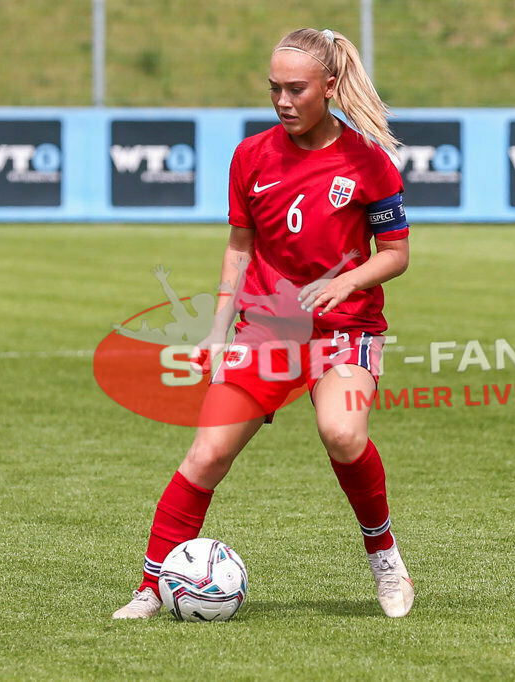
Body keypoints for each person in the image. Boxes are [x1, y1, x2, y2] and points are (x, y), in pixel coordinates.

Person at [113, 27, 415, 618]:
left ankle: (385, 558)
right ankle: (152, 586)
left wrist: (346, 282)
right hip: (266, 332)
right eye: (273, 88)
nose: (282, 100)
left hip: (344, 328)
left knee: (343, 433)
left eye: (295, 89)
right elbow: (239, 249)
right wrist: (217, 328)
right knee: (206, 456)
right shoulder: (250, 156)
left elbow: (397, 254)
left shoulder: (369, 161)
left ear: (329, 86)